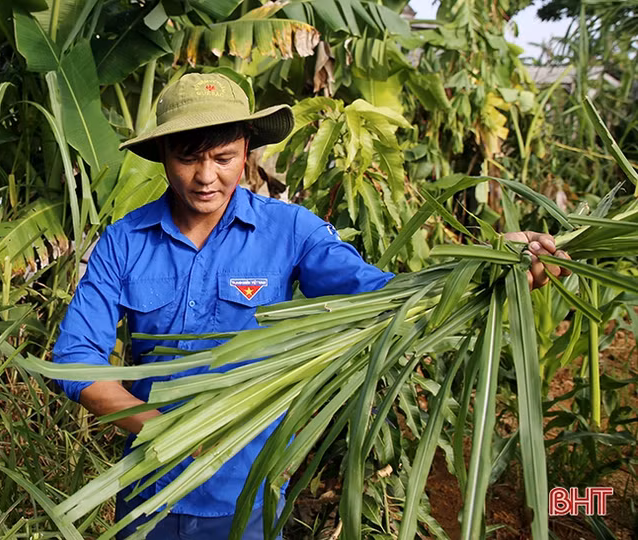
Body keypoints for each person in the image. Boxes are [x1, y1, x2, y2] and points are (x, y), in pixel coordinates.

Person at [52, 73, 570, 539]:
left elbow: (384, 295)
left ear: (247, 150)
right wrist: (168, 432)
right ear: (164, 154)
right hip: (148, 496)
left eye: (223, 158)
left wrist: (485, 263)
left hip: (248, 497)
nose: (206, 176)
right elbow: (76, 360)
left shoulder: (291, 231)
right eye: (188, 158)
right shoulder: (125, 241)